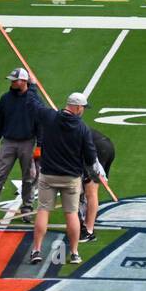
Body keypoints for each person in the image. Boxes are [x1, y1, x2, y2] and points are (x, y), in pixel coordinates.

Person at [29, 92, 101, 266]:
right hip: (71, 178)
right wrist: (93, 173)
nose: (83, 110)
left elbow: (35, 105)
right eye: (82, 107)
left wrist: (31, 85)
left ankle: (36, 250)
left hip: (48, 175)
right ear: (76, 107)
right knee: (71, 214)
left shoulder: (50, 117)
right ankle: (75, 252)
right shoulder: (83, 128)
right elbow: (91, 156)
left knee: (43, 210)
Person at [0, 67, 46, 223]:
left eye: (15, 80)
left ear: (24, 81)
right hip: (8, 142)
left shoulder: (33, 100)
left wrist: (39, 146)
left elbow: (40, 124)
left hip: (28, 143)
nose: (13, 83)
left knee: (28, 178)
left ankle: (27, 209)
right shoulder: (5, 99)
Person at [79, 130, 115, 243]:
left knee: (90, 191)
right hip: (106, 146)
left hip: (96, 150)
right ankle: (86, 223)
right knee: (89, 191)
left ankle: (88, 231)